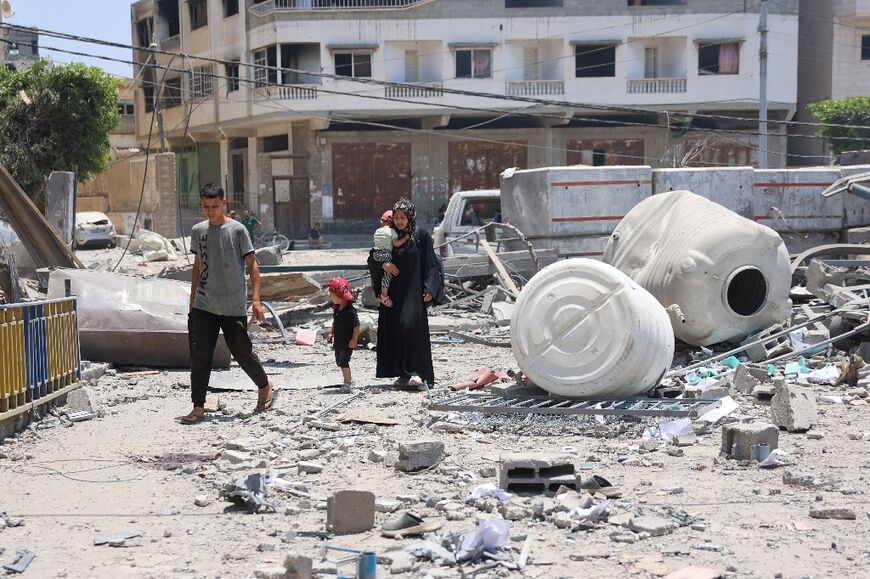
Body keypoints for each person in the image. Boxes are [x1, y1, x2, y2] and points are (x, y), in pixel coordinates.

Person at [181, 184, 275, 424]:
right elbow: (197, 266)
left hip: (232, 304)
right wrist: (192, 300)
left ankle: (264, 385)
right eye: (205, 206)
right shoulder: (198, 231)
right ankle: (198, 406)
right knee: (200, 355)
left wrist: (256, 299)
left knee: (242, 353)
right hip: (204, 303)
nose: (210, 211)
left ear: (224, 202)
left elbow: (253, 266)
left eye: (214, 206)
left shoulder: (238, 230)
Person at [369, 198, 444, 391]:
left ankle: (418, 372)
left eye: (403, 217)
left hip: (413, 291)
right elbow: (373, 256)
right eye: (396, 217)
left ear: (410, 217)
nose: (400, 221)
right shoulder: (388, 234)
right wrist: (383, 264)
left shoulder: (420, 236)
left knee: (410, 326)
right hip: (393, 292)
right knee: (395, 330)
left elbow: (431, 264)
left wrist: (430, 288)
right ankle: (403, 373)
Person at [326, 277, 360, 393]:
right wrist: (331, 332)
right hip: (339, 341)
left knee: (344, 362)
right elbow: (335, 322)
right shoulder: (337, 308)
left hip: (347, 342)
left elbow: (356, 326)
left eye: (332, 295)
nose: (331, 297)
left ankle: (347, 382)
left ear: (339, 297)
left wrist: (354, 340)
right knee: (339, 361)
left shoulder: (350, 311)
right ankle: (348, 379)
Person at [370, 210, 409, 308]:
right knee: (388, 276)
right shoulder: (392, 232)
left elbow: (374, 249)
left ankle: (383, 296)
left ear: (381, 221)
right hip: (386, 255)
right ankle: (384, 296)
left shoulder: (377, 231)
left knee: (387, 274)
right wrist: (405, 238)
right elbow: (396, 244)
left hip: (377, 255)